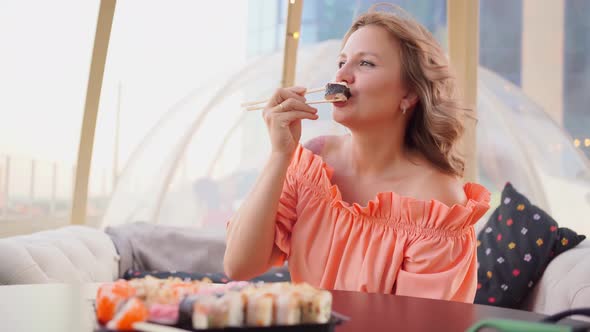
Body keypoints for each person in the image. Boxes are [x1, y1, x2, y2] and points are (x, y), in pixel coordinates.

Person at [224, 4, 490, 303]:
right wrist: (279, 156)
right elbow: (239, 265)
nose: (342, 75)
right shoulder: (313, 162)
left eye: (366, 64)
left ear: (409, 94)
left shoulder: (436, 203)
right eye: (342, 61)